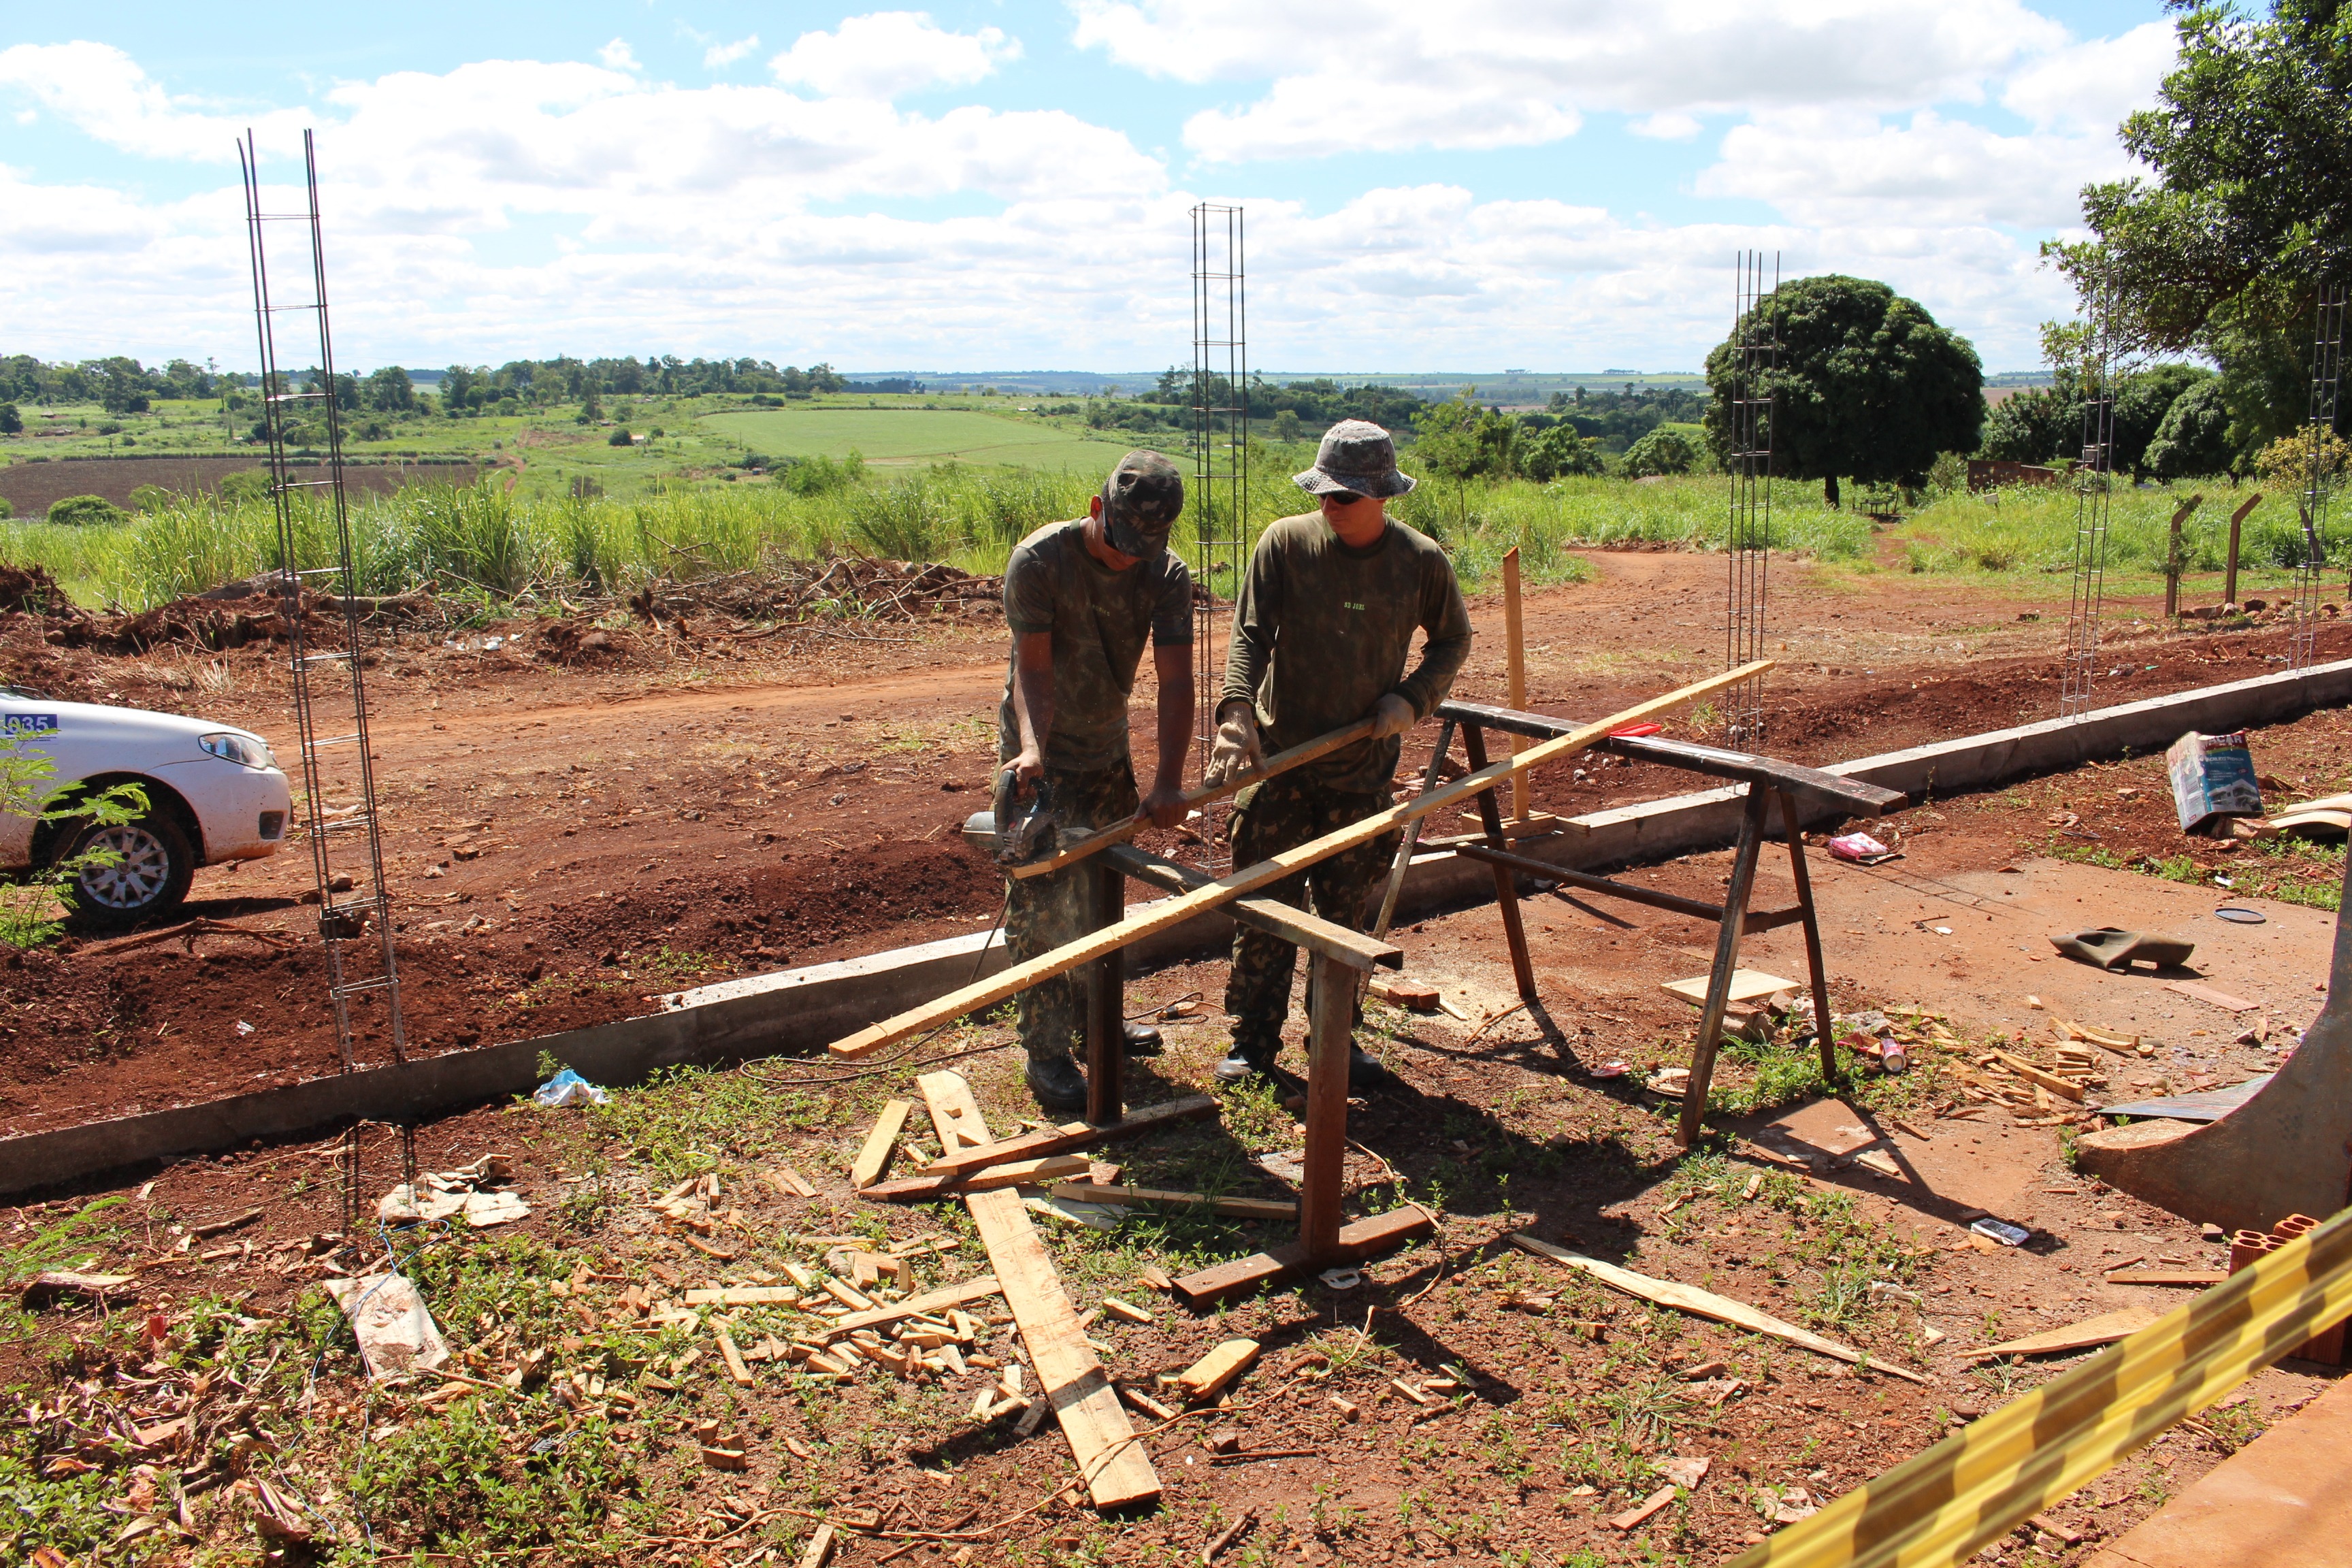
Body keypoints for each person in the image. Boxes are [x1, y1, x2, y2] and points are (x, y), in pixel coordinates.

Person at [1203, 419, 1471, 1085]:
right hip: (1278, 768)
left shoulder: (1420, 563)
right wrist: (1237, 714)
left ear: (1383, 497)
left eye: (1345, 496)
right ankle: (1253, 1044)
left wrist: (1411, 700)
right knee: (1264, 912)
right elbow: (1249, 637)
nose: (1330, 505)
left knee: (1344, 917)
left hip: (1359, 776)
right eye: (1323, 492)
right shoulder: (1286, 546)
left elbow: (1451, 642)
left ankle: (1335, 1040)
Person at [998, 450, 1194, 1111]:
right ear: (1095, 510)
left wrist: (1168, 780)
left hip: (1106, 748)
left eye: (1143, 548)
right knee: (1042, 908)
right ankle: (1047, 1052)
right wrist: (1031, 754)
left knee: (1100, 894)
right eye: (1119, 542)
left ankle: (1096, 1022)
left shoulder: (1165, 575)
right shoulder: (1039, 562)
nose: (1125, 559)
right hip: (1041, 752)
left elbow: (1175, 681)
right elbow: (1035, 674)